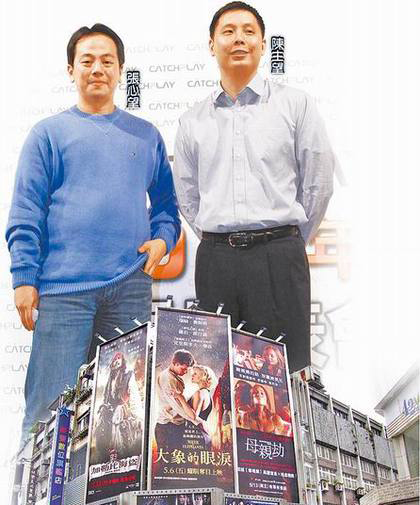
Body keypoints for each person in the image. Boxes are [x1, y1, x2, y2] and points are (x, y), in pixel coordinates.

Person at [6, 23, 181, 443]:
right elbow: (26, 210)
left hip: (129, 287)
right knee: (49, 413)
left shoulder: (146, 135)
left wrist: (162, 240)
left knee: (125, 416)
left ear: (120, 70)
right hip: (63, 292)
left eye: (107, 61)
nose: (97, 68)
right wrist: (24, 278)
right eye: (87, 61)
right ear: (71, 70)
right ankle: (35, 489)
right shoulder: (48, 134)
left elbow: (167, 206)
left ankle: (113, 489)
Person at [174, 1, 334, 373]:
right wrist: (220, 237)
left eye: (249, 31)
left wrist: (287, 238)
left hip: (279, 257)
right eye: (228, 31)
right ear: (211, 45)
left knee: (286, 373)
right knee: (217, 374)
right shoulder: (191, 121)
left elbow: (319, 182)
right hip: (216, 261)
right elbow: (188, 196)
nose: (239, 39)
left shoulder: (295, 104)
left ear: (263, 44)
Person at [154, 350, 209, 450]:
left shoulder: (172, 376)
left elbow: (175, 402)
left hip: (173, 425)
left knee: (176, 456)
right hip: (168, 426)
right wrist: (198, 421)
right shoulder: (168, 379)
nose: (185, 372)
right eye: (183, 369)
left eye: (187, 370)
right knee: (170, 457)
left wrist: (181, 398)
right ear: (176, 364)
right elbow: (178, 407)